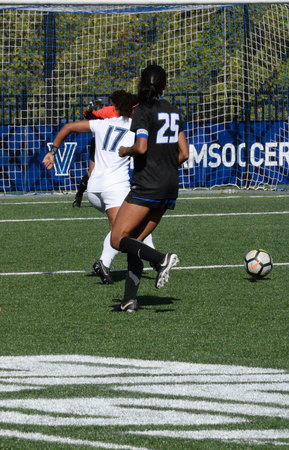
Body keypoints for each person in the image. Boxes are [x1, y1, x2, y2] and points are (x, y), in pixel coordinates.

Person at [43, 91, 146, 285]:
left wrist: (52, 152)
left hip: (93, 189)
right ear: (133, 110)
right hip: (114, 188)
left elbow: (68, 127)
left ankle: (152, 261)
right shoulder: (136, 128)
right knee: (123, 232)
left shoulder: (102, 124)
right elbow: (144, 148)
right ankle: (114, 262)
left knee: (134, 223)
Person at [111, 64, 189, 312]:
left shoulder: (143, 111)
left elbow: (142, 147)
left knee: (117, 239)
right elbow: (184, 153)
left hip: (148, 184)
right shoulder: (174, 111)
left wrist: (126, 150)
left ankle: (161, 259)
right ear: (165, 85)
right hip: (170, 185)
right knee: (135, 242)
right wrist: (165, 167)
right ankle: (129, 300)